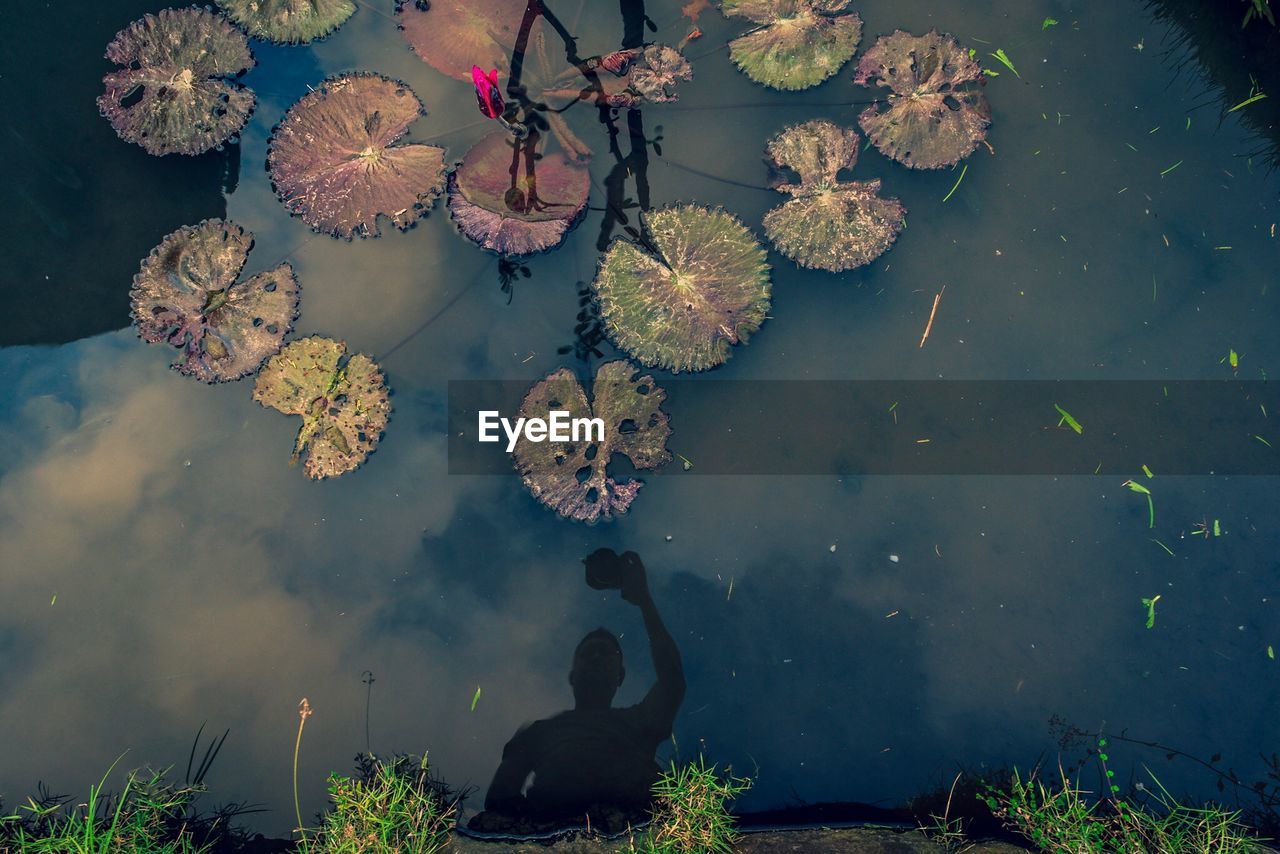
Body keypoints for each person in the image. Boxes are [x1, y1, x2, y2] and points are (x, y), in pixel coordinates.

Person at [475, 549, 685, 831]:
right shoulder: (540, 732)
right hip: (553, 826)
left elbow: (672, 681)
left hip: (630, 823)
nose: (597, 658)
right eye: (589, 654)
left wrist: (644, 600)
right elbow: (501, 797)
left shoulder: (637, 721)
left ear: (619, 676)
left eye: (605, 654)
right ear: (573, 676)